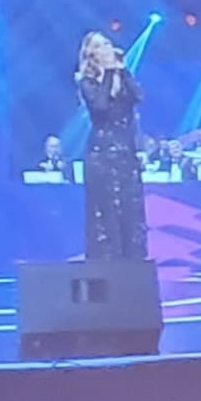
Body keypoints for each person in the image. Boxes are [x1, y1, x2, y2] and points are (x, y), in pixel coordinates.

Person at [71, 30, 146, 263]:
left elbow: (138, 96)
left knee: (129, 208)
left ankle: (133, 264)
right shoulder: (86, 81)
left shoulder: (121, 76)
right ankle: (106, 263)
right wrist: (109, 73)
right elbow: (100, 108)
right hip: (101, 153)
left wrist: (122, 71)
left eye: (107, 43)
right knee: (106, 211)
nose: (107, 48)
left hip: (126, 152)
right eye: (100, 45)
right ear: (91, 53)